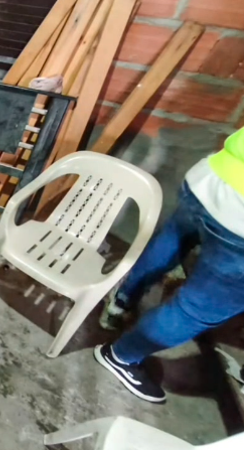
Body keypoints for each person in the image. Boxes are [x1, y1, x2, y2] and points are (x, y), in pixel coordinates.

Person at [95, 127, 244, 404]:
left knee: (172, 242)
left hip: (213, 176)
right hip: (238, 224)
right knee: (196, 310)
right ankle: (121, 356)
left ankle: (122, 301)